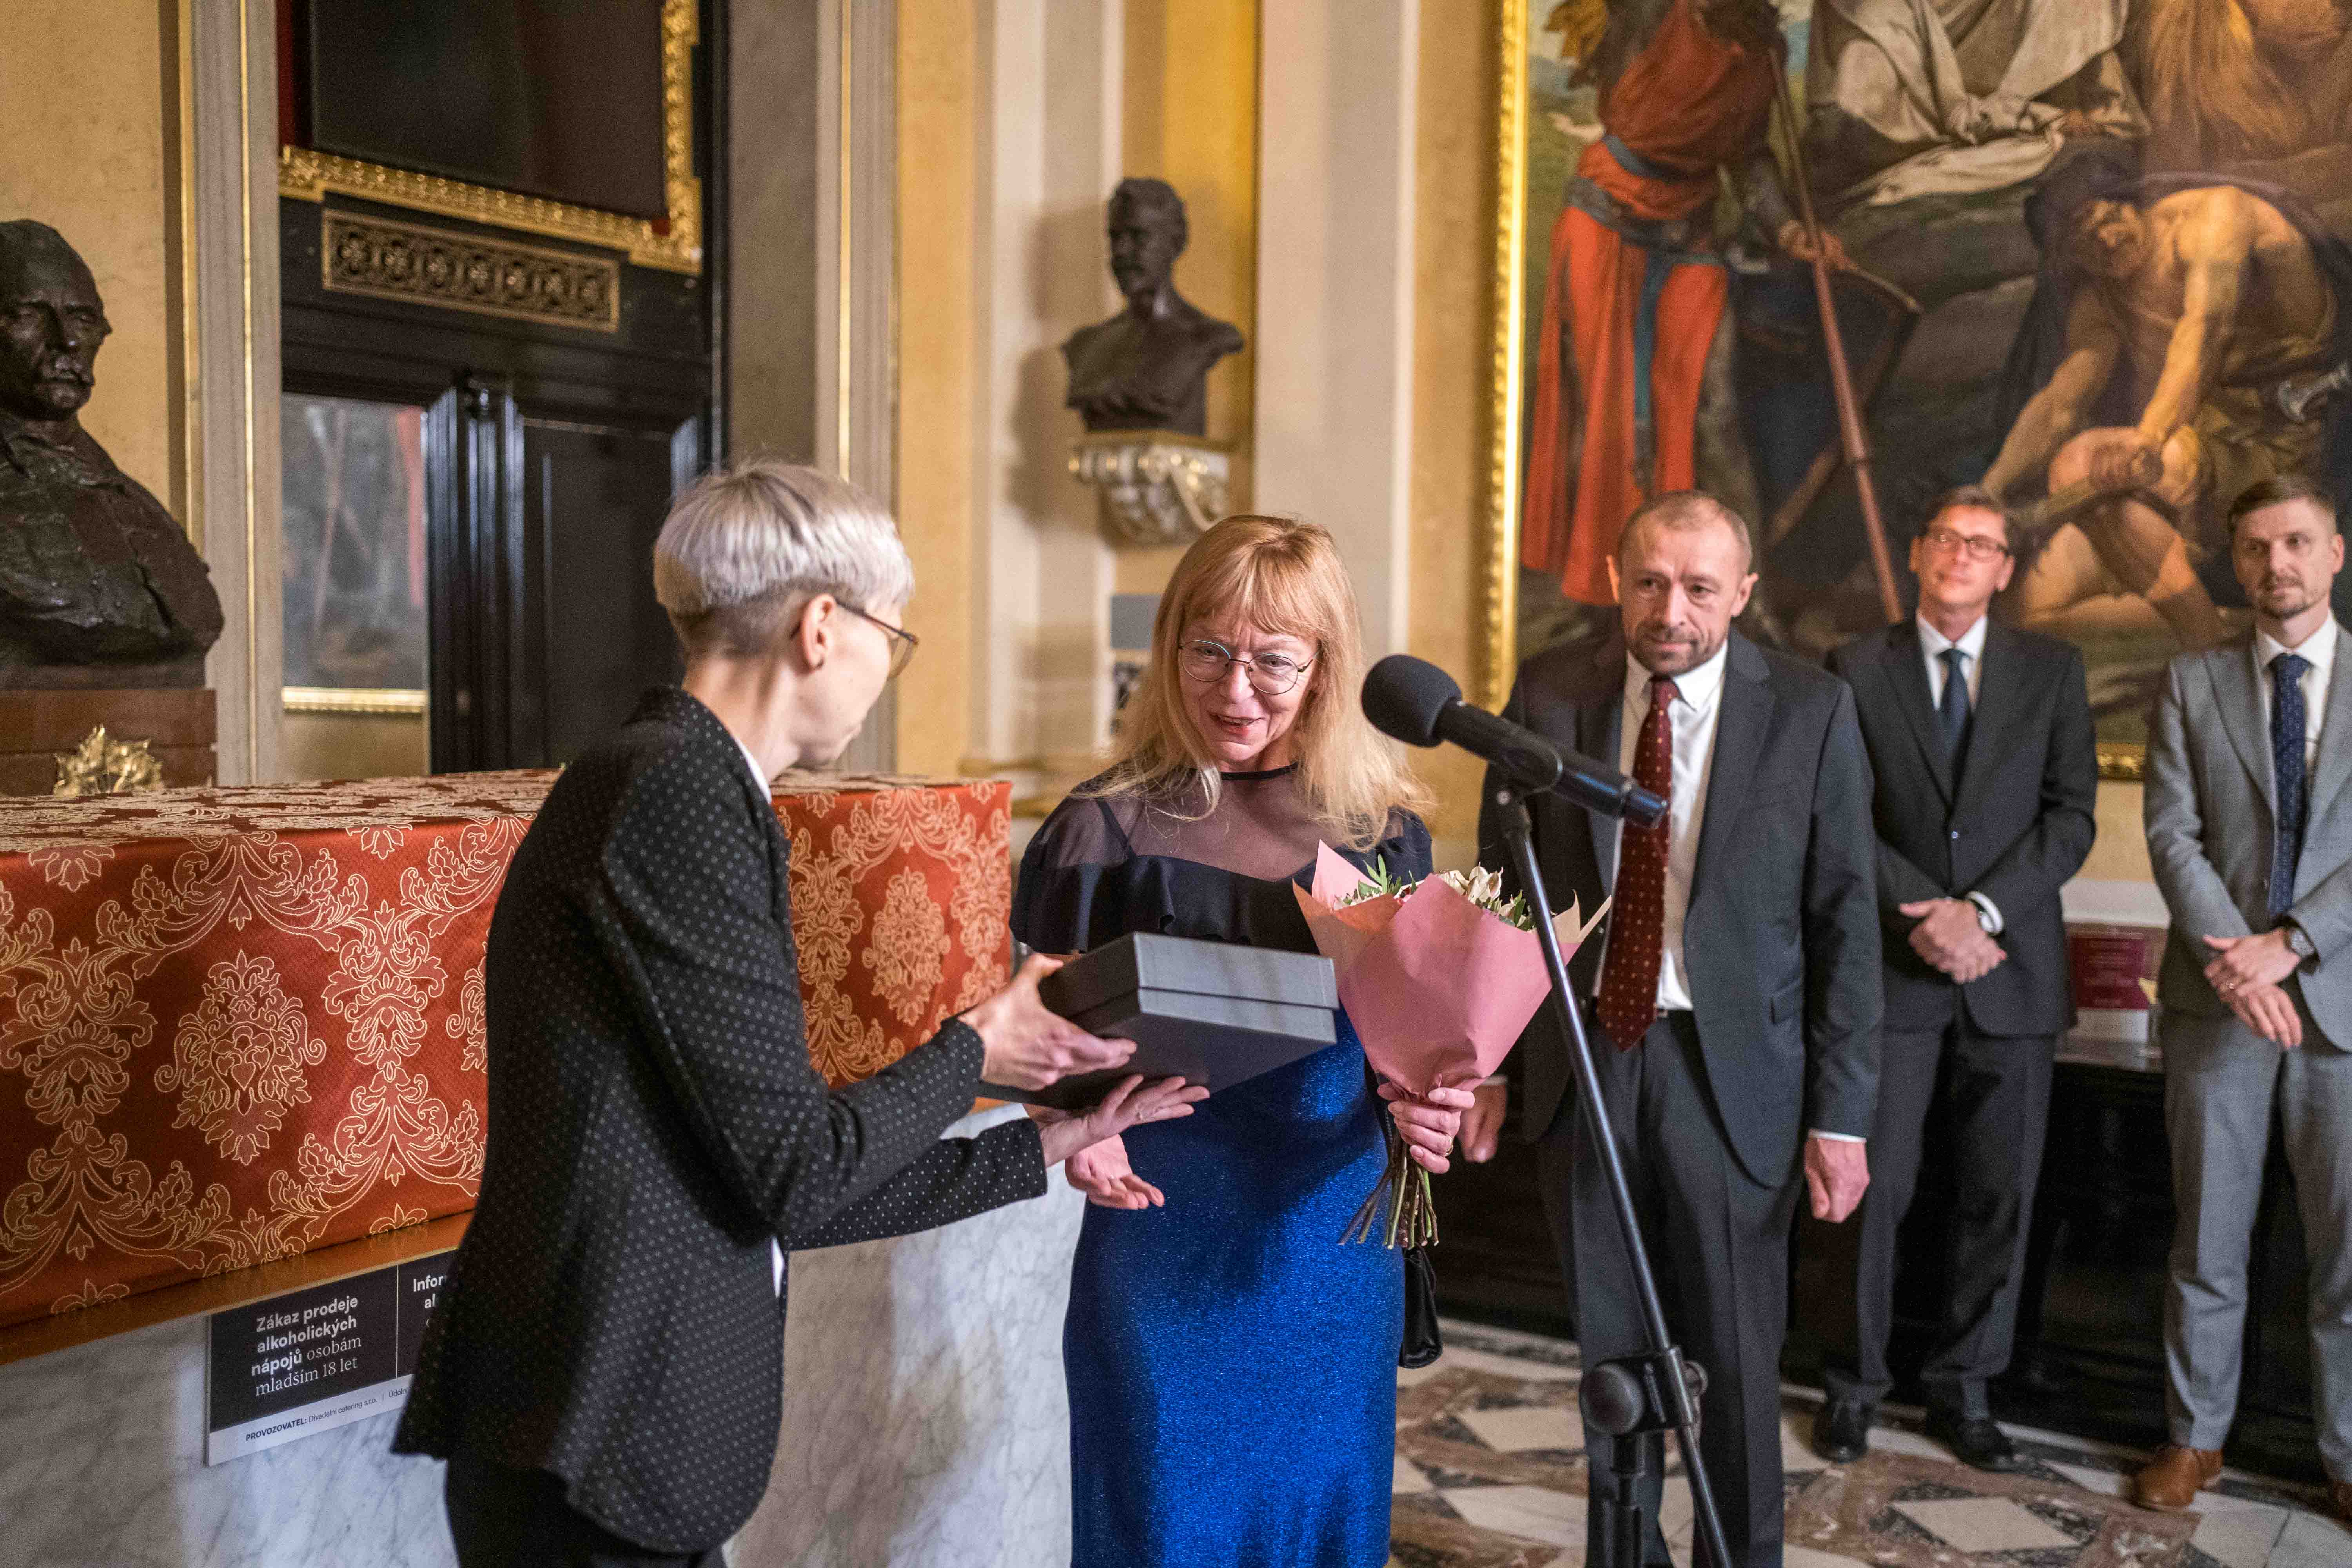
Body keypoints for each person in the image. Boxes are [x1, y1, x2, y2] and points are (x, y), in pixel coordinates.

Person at [392, 459, 1198, 1568]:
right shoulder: (676, 788)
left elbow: (782, 1182)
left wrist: (1048, 1141)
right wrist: (978, 1045)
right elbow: (796, 1172)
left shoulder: (688, 780)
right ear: (823, 626)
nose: (882, 676)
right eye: (890, 638)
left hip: (610, 1434)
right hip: (594, 1423)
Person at [1011, 514, 1472, 1568]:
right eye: (1209, 651)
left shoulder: (1384, 832)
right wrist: (1077, 1124)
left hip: (1329, 1242)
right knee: (1161, 1517)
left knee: (1317, 1525)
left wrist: (1434, 1099)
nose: (1236, 689)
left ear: (1326, 668)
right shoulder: (1101, 827)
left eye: (1273, 661)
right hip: (1161, 1225)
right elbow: (1033, 1029)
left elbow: (1409, 1040)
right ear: (1169, 646)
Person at [1477, 490, 1881, 1568]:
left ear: (1742, 592)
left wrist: (1842, 1118)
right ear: (1617, 579)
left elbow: (1847, 923)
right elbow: (1503, 892)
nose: (1672, 612)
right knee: (1612, 1368)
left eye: (1701, 588)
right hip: (1588, 1062)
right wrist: (1488, 1065)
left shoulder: (1811, 710)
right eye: (1651, 582)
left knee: (1737, 1363)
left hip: (1731, 1073)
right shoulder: (1549, 693)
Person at [1814, 486, 2098, 1471]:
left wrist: (1979, 912)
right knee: (1872, 1188)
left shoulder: (2053, 670)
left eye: (1983, 544)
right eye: (1946, 537)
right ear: (1919, 552)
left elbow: (2071, 815)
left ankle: (1966, 1390)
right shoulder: (1855, 667)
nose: (1962, 554)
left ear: (2006, 568)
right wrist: (1926, 911)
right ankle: (1852, 1385)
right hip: (1891, 972)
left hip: (2010, 970)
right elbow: (1838, 813)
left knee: (1997, 1195)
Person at [2138, 473, 2352, 1520]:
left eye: (2298, 542)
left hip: (2341, 1008)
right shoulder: (2191, 681)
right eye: (2258, 547)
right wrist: (2239, 959)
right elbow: (2172, 833)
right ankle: (2195, 1439)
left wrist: (2294, 944)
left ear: (2335, 553)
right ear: (2237, 562)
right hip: (2217, 1004)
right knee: (2207, 1240)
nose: (2279, 563)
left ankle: (2347, 1455)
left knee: (2347, 1257)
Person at [1519, 0, 1842, 607]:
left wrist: (1788, 229)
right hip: (1606, 229)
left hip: (1690, 235)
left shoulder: (1762, 50)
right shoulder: (1651, 11)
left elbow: (1749, 158)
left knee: (1716, 413)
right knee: (1612, 418)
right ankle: (1612, 596)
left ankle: (1749, 600)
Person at [1982, 151, 2352, 651]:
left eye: (2108, 218)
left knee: (2077, 465)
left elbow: (2205, 331)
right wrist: (1989, 493)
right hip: (2206, 452)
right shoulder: (2103, 300)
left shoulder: (2215, 217)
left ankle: (2209, 648)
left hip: (2301, 442)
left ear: (2130, 201)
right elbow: (2060, 403)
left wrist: (2150, 439)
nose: (2106, 240)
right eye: (2083, 240)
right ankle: (2223, 634)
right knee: (2026, 607)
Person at [0, 219, 222, 674]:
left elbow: (199, 621)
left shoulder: (137, 503)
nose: (67, 341)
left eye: (83, 318)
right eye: (29, 315)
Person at [1059, 177, 1246, 436]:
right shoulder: (1086, 345)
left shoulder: (1207, 337)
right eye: (1115, 238)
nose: (1121, 251)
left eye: (1139, 236)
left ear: (1175, 243)